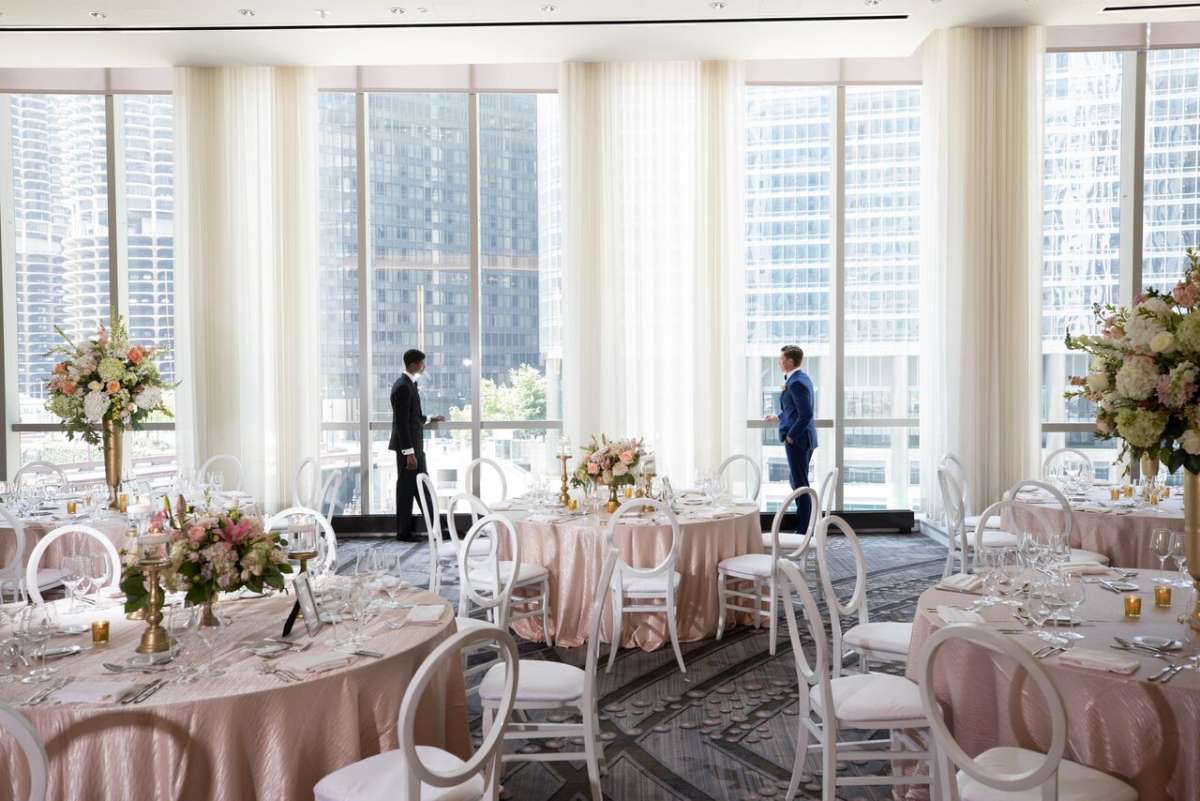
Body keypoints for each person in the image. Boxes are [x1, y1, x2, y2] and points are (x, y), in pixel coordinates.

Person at [389, 349, 445, 541]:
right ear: (413, 364)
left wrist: (431, 418)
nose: (424, 366)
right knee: (407, 490)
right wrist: (409, 453)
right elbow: (402, 424)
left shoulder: (407, 384)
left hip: (413, 448)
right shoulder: (403, 387)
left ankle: (434, 528)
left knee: (421, 488)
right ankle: (404, 533)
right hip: (409, 450)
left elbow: (413, 418)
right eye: (422, 363)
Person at [771, 345, 818, 531]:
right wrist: (778, 417)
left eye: (781, 359)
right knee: (797, 481)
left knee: (800, 485)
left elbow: (805, 414)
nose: (779, 362)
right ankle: (805, 523)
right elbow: (793, 410)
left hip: (798, 440)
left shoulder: (796, 382)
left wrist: (790, 436)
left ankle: (805, 529)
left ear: (790, 361)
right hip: (802, 438)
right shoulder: (799, 378)